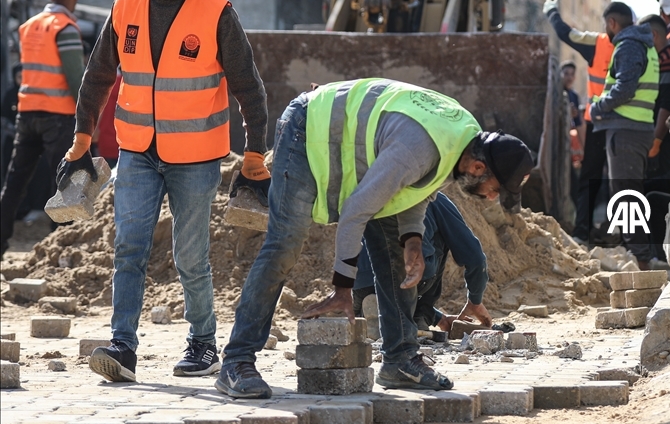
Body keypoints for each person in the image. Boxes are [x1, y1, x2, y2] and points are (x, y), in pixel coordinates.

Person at [215, 78, 533, 399]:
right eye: (495, 189)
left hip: (358, 149)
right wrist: (343, 288)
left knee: (398, 253)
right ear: (479, 167)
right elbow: (356, 211)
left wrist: (411, 239)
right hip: (308, 128)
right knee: (285, 242)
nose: (492, 199)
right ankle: (237, 361)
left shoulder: (463, 141)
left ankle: (400, 360)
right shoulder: (420, 148)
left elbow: (418, 190)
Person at [60, 0, 270, 384]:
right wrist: (81, 137)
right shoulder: (125, 6)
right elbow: (98, 75)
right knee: (129, 247)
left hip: (195, 156)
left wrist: (255, 154)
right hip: (137, 150)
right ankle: (123, 346)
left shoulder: (217, 13)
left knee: (190, 255)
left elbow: (249, 90)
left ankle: (202, 345)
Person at [1, 0, 85, 256]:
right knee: (62, 181)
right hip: (57, 116)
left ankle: (1, 242)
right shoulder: (66, 28)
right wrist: (87, 119)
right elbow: (76, 79)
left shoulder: (29, 26)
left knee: (14, 183)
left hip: (27, 113)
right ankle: (60, 247)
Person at [353, 192, 491, 333]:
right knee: (444, 237)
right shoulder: (433, 197)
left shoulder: (375, 192)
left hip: (360, 283)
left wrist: (439, 319)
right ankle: (419, 315)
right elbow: (475, 257)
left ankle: (376, 310)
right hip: (406, 278)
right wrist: (475, 300)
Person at [590, 2, 659, 269]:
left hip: (627, 131)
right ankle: (640, 255)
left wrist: (598, 107)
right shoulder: (644, 45)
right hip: (637, 130)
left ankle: (641, 261)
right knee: (630, 194)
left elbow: (625, 89)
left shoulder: (628, 45)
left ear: (611, 23)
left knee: (626, 197)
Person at [543, 0, 615, 245]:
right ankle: (621, 234)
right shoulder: (642, 45)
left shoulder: (599, 43)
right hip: (626, 123)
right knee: (625, 179)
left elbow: (567, 34)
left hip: (599, 120)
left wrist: (552, 11)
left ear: (611, 23)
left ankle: (584, 232)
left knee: (591, 178)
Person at [637, 15, 670, 181]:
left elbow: (668, 105)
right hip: (663, 134)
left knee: (659, 182)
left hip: (666, 138)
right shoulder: (662, 56)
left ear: (653, 35)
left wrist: (655, 143)